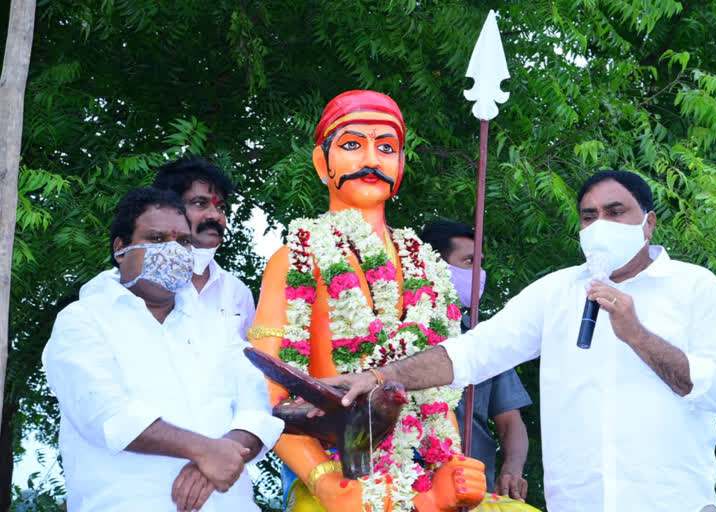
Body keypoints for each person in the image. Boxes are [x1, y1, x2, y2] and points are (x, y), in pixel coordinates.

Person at [324, 170, 716, 512]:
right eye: (590, 216)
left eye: (616, 213)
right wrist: (381, 375)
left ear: (647, 223)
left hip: (671, 501)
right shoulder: (557, 291)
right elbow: (474, 352)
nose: (601, 226)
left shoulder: (694, 287)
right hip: (578, 503)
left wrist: (637, 335)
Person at [249, 90, 489, 512]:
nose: (371, 160)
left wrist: (451, 469)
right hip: (332, 472)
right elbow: (267, 391)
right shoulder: (297, 259)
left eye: (386, 148)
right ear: (322, 163)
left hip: (419, 475)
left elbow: (436, 392)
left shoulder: (425, 265)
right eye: (352, 145)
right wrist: (325, 483)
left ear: (399, 167)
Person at [43, 187, 283, 512]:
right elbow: (104, 414)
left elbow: (256, 408)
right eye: (157, 239)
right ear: (121, 249)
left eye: (183, 242)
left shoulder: (217, 325)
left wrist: (225, 450)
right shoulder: (83, 320)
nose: (173, 251)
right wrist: (202, 450)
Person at [421, 220, 532, 501]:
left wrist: (512, 470)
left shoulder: (481, 338)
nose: (478, 274)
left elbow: (510, 421)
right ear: (433, 265)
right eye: (469, 261)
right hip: (400, 489)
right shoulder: (389, 329)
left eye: (480, 263)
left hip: (472, 490)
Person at [153, 157, 256, 339]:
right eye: (200, 203)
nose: (216, 216)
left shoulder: (237, 292)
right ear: (167, 209)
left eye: (221, 207)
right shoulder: (133, 285)